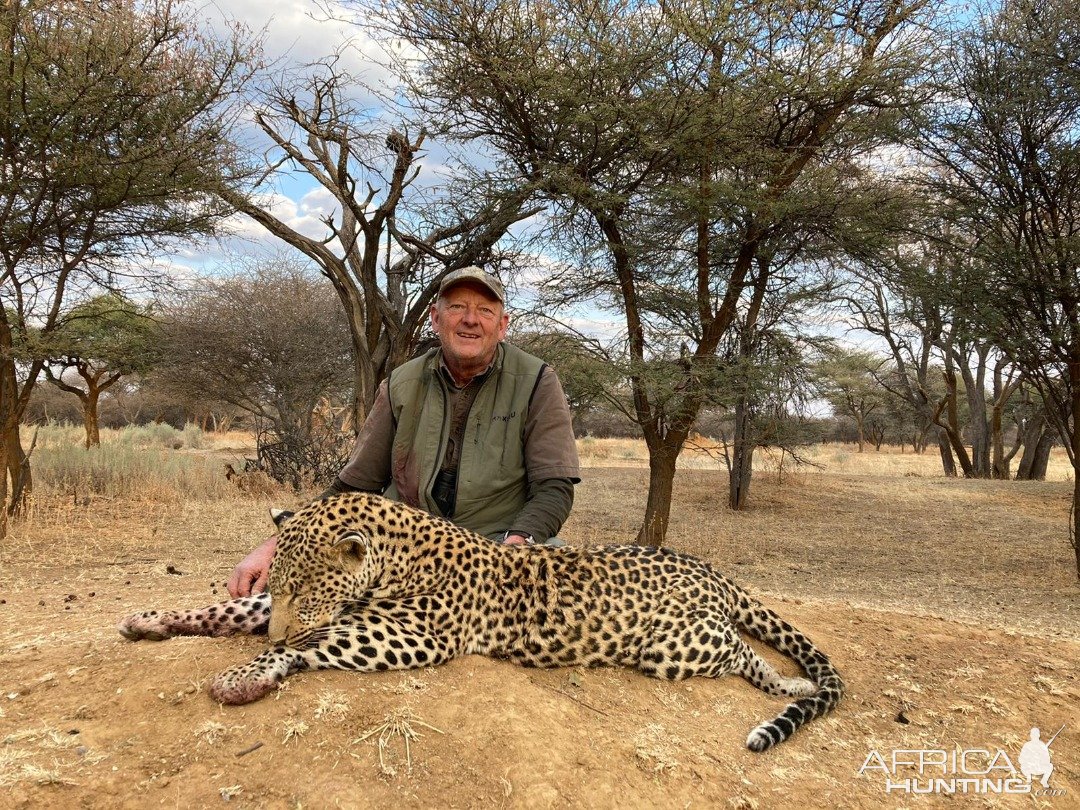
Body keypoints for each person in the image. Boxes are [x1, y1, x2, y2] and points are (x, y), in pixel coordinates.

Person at [228, 266, 581, 598]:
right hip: (403, 553)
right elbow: (354, 487)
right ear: (435, 319)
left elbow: (554, 488)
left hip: (493, 550)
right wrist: (276, 545)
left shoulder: (538, 380)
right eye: (457, 307)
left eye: (485, 311)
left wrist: (516, 546)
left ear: (502, 325)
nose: (471, 320)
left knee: (559, 579)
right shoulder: (400, 383)